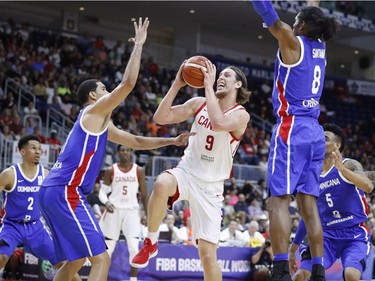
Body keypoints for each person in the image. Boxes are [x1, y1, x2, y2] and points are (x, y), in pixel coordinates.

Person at [38, 18, 193, 281]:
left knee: (75, 261)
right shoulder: (93, 112)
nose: (108, 91)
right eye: (103, 89)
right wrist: (139, 46)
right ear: (93, 96)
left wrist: (171, 140)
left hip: (53, 191)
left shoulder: (100, 123)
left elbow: (135, 141)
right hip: (66, 191)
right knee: (102, 259)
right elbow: (128, 84)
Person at [131, 60, 251, 281]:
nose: (221, 78)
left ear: (238, 85)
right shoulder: (199, 103)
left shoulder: (241, 115)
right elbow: (160, 118)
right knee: (161, 183)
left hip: (211, 187)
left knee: (207, 257)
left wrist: (208, 85)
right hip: (187, 172)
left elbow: (218, 123)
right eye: (219, 75)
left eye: (226, 75)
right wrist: (177, 83)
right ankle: (151, 241)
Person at [250, 1, 338, 280]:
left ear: (301, 25)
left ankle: (278, 270)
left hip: (292, 127)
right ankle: (319, 271)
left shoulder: (292, 40)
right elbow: (314, 8)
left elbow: (269, 15)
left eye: (296, 19)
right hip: (315, 130)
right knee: (308, 204)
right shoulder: (320, 44)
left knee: (278, 201)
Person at [288, 123, 374, 281]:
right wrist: (293, 249)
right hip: (326, 235)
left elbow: (368, 186)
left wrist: (342, 169)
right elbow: (308, 215)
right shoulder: (310, 175)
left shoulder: (350, 164)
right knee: (300, 276)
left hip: (353, 233)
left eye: (325, 138)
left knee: (351, 275)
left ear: (337, 145)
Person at [0, 135, 80, 281]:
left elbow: (55, 201)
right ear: (22, 152)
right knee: (2, 257)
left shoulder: (46, 174)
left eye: (39, 149)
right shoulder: (9, 174)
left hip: (36, 226)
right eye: (33, 148)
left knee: (64, 263)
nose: (38, 151)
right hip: (11, 225)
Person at [98, 144, 148, 281]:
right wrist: (106, 202)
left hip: (132, 211)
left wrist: (148, 215)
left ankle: (133, 279)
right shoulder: (111, 170)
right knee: (108, 249)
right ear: (118, 153)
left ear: (131, 152)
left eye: (127, 150)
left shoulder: (139, 170)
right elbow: (102, 193)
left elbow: (144, 195)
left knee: (133, 247)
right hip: (114, 210)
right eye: (122, 150)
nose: (125, 152)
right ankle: (101, 277)